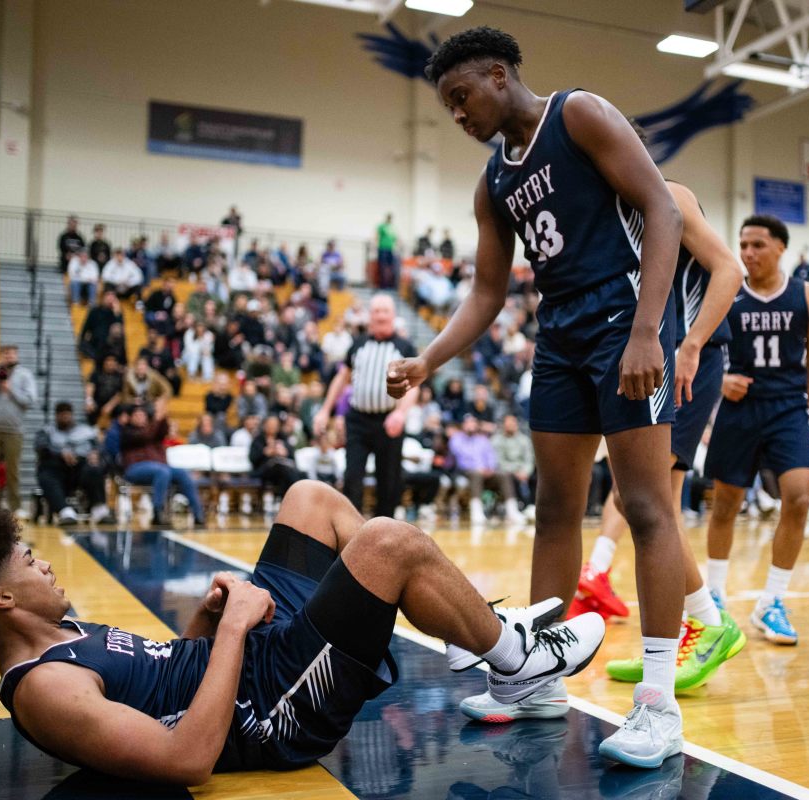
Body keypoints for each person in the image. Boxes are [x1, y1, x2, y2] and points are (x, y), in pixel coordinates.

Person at [387, 27, 686, 767]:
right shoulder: (494, 182)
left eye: (461, 98)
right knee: (555, 506)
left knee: (646, 507)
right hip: (560, 336)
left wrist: (649, 330)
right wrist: (429, 358)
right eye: (447, 106)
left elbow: (663, 210)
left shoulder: (578, 113)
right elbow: (488, 291)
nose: (457, 116)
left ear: (498, 75)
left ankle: (659, 703)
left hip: (624, 319)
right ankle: (538, 676)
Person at [0, 483, 604, 784]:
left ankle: (470, 633)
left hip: (250, 662)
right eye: (28, 561)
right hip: (271, 714)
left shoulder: (60, 635)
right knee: (389, 545)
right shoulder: (44, 691)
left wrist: (213, 617)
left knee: (310, 499)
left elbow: (169, 675)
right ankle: (516, 658)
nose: (45, 562)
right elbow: (187, 759)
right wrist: (236, 629)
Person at [558, 176, 743, 692]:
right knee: (656, 503)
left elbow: (731, 270)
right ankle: (682, 630)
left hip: (685, 357)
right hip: (649, 356)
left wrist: (693, 346)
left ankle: (707, 622)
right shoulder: (604, 211)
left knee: (642, 496)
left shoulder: (671, 194)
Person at [695, 215, 809, 648]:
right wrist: (723, 380)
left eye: (757, 245)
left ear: (781, 248)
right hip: (738, 408)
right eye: (743, 244)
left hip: (788, 407)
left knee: (800, 496)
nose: (748, 252)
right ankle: (715, 592)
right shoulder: (727, 290)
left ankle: (773, 600)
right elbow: (707, 349)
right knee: (726, 504)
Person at [314, 294, 417, 519]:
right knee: (352, 477)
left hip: (388, 421)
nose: (380, 315)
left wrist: (401, 413)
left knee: (389, 482)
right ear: (370, 315)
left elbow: (414, 386)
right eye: (376, 311)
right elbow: (342, 378)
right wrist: (325, 410)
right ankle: (352, 533)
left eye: (385, 311)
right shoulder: (358, 344)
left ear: (393, 315)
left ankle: (384, 532)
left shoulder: (404, 346)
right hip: (358, 420)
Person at [120, 400, 206, 527]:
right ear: (131, 418)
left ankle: (198, 514)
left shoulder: (153, 431)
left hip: (158, 468)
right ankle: (157, 512)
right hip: (135, 469)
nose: (140, 417)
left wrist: (163, 415)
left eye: (142, 415)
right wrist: (157, 418)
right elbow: (145, 436)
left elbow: (163, 429)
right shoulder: (128, 432)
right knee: (162, 471)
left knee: (182, 473)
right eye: (137, 415)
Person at [0, 345, 38, 512]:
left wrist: (11, 389)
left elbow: (30, 401)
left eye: (11, 353)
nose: (9, 356)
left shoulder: (24, 375)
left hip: (14, 429)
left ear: (16, 355)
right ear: (1, 355)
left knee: (13, 470)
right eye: (5, 353)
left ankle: (15, 506)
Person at [35, 402, 110, 526]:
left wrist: (96, 454)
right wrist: (60, 453)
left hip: (80, 468)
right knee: (46, 476)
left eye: (67, 414)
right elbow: (40, 447)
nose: (65, 417)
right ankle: (65, 512)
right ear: (56, 416)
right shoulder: (47, 431)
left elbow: (100, 448)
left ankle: (99, 509)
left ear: (72, 415)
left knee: (95, 469)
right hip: (56, 467)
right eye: (62, 415)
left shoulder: (86, 431)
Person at [375, 213, 397, 289]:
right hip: (382, 248)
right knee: (383, 266)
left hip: (390, 249)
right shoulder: (381, 226)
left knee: (390, 267)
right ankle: (382, 284)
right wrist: (376, 245)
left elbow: (395, 239)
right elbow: (377, 236)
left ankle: (388, 284)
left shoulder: (392, 228)